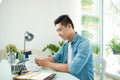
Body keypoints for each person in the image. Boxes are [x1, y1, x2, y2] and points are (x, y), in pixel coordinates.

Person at [35, 15, 94, 80]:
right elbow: (55, 58)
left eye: (60, 30)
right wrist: (42, 61)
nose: (58, 34)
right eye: (57, 31)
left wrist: (47, 64)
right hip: (67, 77)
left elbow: (73, 68)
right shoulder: (66, 43)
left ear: (69, 26)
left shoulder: (84, 43)